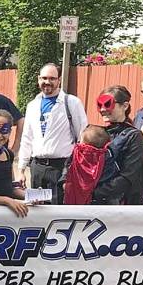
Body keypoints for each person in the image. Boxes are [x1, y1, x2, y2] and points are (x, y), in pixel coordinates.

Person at [19, 63, 88, 199]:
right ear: (38, 79)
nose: (47, 82)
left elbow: (83, 135)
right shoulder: (32, 105)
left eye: (52, 78)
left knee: (58, 211)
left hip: (61, 168)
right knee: (37, 208)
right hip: (37, 168)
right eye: (44, 78)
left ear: (59, 80)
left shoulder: (72, 103)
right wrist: (21, 170)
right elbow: (27, 138)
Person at [94, 86, 143, 205]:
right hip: (97, 203)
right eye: (100, 105)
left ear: (125, 106)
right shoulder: (97, 134)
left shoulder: (134, 136)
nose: (103, 109)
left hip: (124, 205)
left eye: (108, 104)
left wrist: (95, 192)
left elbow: (129, 176)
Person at [62, 126, 115, 205]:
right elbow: (111, 173)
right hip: (97, 198)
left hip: (73, 192)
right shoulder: (106, 156)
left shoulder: (78, 153)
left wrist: (64, 182)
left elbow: (68, 166)